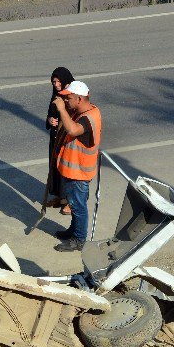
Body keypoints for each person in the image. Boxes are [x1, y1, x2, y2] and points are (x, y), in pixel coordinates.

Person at [52, 81, 103, 252]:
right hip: (73, 171)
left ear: (79, 99)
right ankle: (73, 231)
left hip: (79, 173)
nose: (66, 100)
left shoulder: (88, 118)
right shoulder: (83, 110)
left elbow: (73, 130)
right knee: (74, 205)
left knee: (79, 207)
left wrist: (61, 109)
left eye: (69, 98)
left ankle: (79, 240)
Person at [46, 66, 75, 214]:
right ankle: (59, 197)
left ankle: (69, 202)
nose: (56, 84)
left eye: (58, 81)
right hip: (55, 138)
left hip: (67, 140)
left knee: (66, 171)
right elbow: (50, 113)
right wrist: (50, 120)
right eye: (53, 81)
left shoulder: (72, 96)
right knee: (55, 169)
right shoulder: (55, 95)